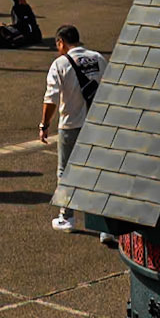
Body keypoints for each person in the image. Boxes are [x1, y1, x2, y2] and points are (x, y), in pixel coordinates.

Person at [42, 22, 107, 233]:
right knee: (98, 172)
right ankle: (104, 226)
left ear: (61, 42)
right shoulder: (98, 58)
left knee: (65, 170)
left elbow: (50, 99)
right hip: (96, 124)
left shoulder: (60, 64)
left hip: (71, 124)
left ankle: (67, 216)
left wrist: (44, 124)